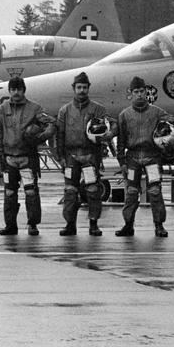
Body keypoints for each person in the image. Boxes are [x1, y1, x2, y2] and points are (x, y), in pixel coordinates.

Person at [115, 75, 174, 237]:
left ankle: (159, 226)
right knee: (131, 192)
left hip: (152, 158)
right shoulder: (124, 115)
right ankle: (128, 225)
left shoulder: (156, 112)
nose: (140, 95)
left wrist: (172, 138)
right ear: (131, 93)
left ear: (146, 92)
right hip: (132, 159)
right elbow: (120, 141)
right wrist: (121, 161)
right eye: (136, 91)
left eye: (142, 91)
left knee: (155, 191)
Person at [0, 76, 56, 236]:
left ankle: (33, 225)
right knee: (9, 193)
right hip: (8, 158)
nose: (16, 93)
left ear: (23, 90)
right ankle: (10, 226)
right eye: (13, 89)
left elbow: (51, 123)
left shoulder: (35, 108)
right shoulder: (2, 108)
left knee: (31, 192)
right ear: (9, 91)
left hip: (28, 158)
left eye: (19, 89)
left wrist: (40, 137)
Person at [55, 71, 110, 236]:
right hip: (71, 157)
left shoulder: (98, 109)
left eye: (84, 87)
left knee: (93, 191)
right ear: (74, 88)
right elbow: (59, 136)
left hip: (90, 156)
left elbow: (110, 125)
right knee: (70, 192)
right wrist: (61, 159)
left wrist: (109, 135)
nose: (81, 91)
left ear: (88, 88)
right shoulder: (64, 111)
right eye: (79, 87)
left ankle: (93, 224)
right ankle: (70, 224)